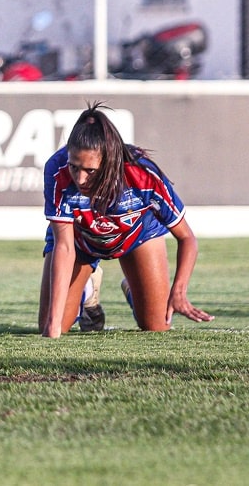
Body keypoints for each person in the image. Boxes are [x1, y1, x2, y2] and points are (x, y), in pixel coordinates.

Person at [39, 103, 214, 338]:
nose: (79, 179)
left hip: (136, 237)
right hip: (79, 241)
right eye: (74, 167)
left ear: (110, 161)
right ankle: (87, 290)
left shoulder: (142, 172)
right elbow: (64, 246)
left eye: (90, 171)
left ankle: (135, 287)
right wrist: (53, 329)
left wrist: (179, 291)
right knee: (53, 326)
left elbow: (186, 237)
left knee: (156, 326)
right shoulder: (56, 169)